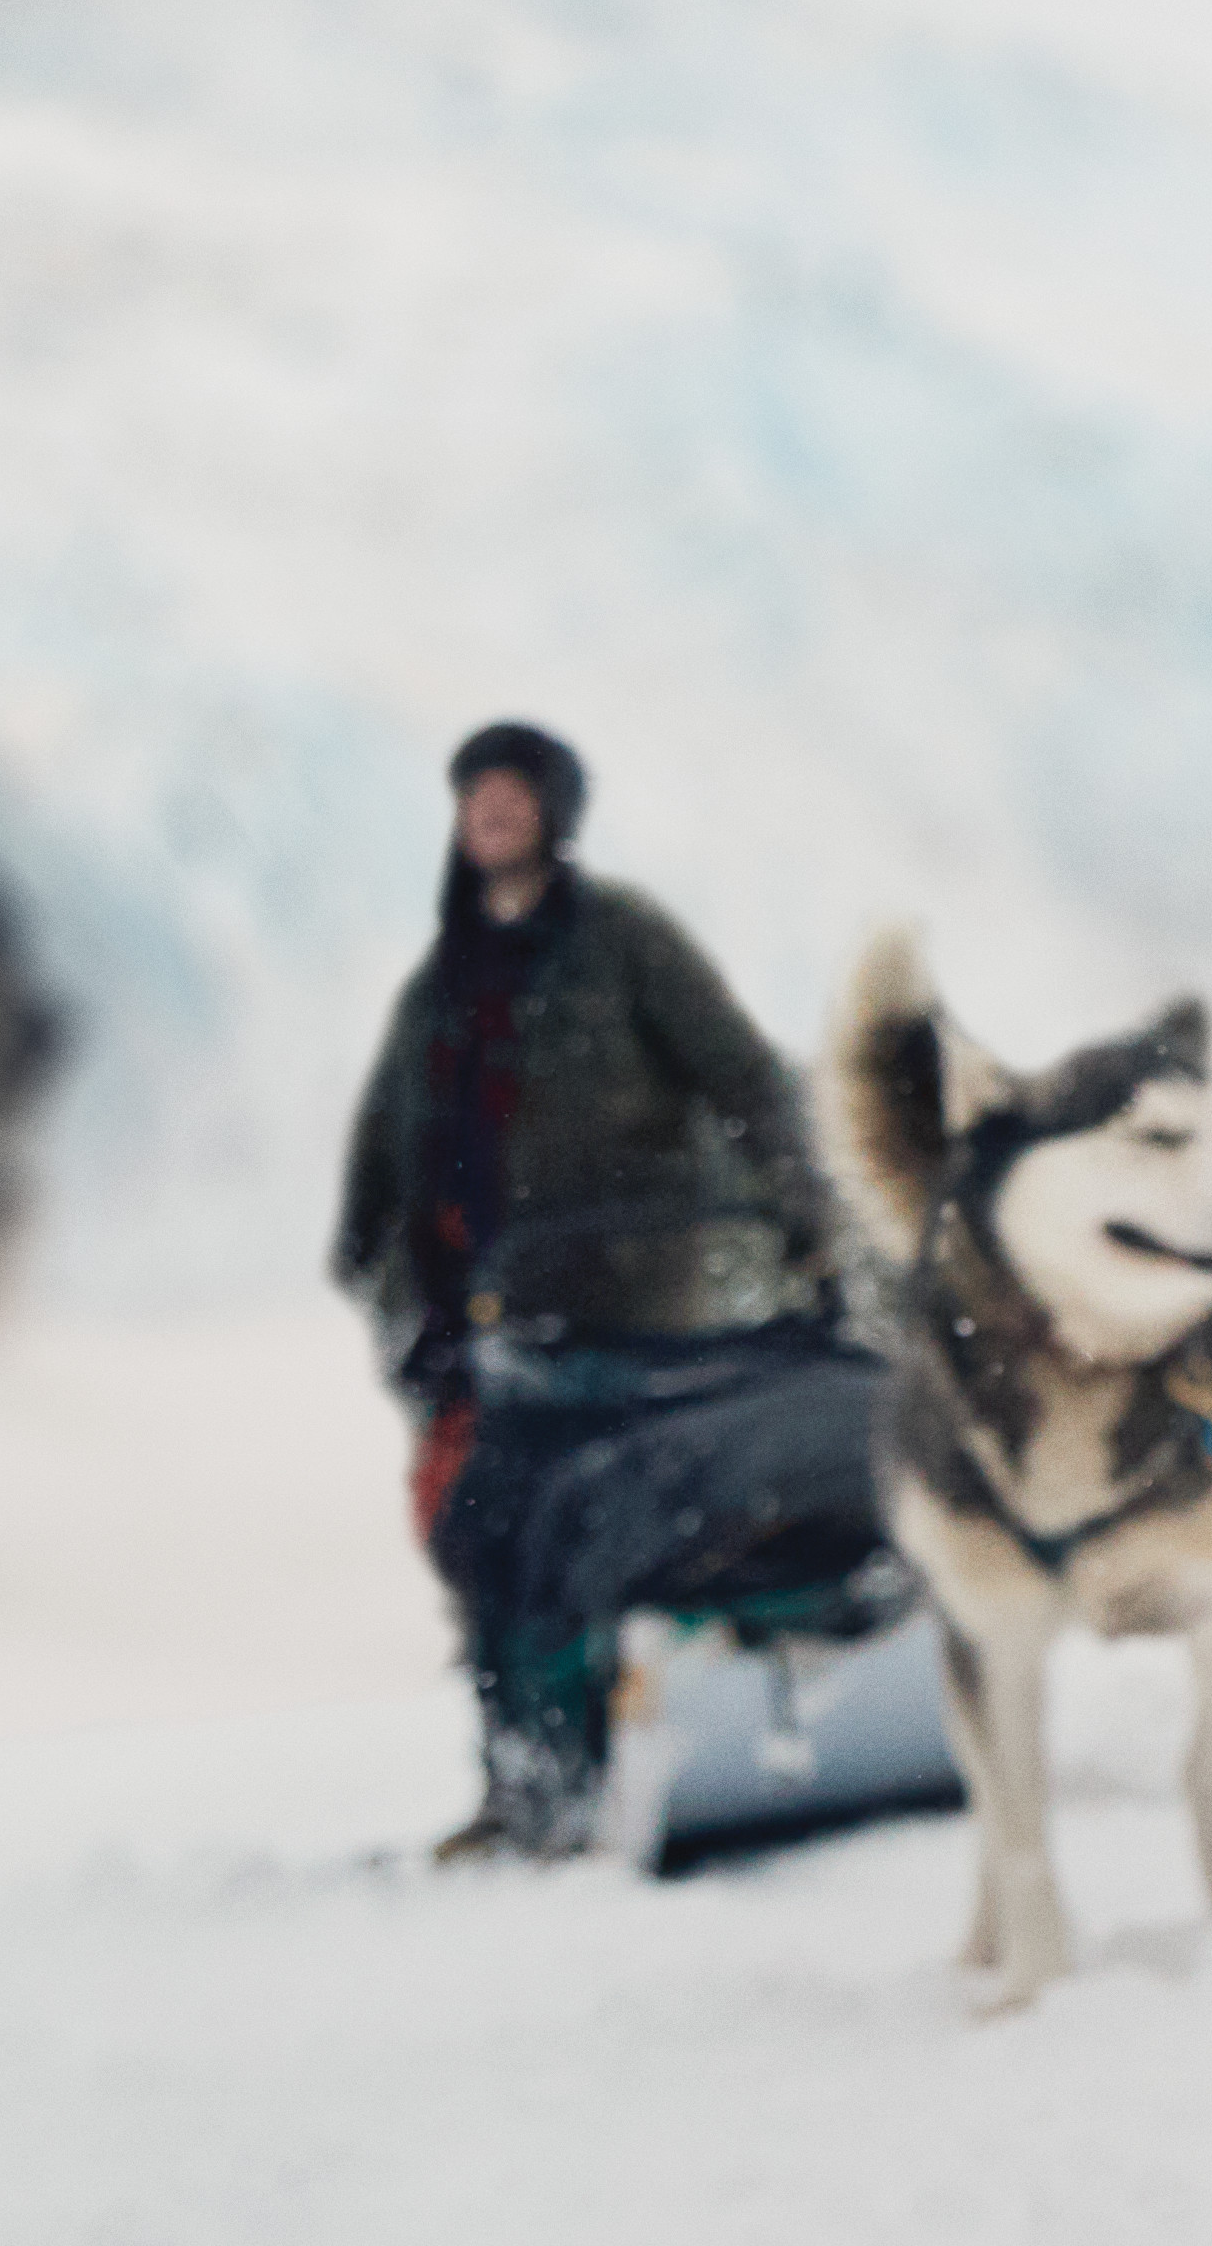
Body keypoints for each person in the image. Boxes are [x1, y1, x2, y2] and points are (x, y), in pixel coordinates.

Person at [331, 719, 893, 1859]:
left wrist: (810, 1222)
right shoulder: (441, 986)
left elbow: (743, 1075)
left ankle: (794, 1711)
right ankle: (536, 1779)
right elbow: (380, 1176)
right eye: (472, 795)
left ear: (554, 808)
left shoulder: (626, 944)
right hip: (506, 1337)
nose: (490, 813)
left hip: (668, 1314)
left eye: (512, 792)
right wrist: (405, 1304)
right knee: (499, 1535)